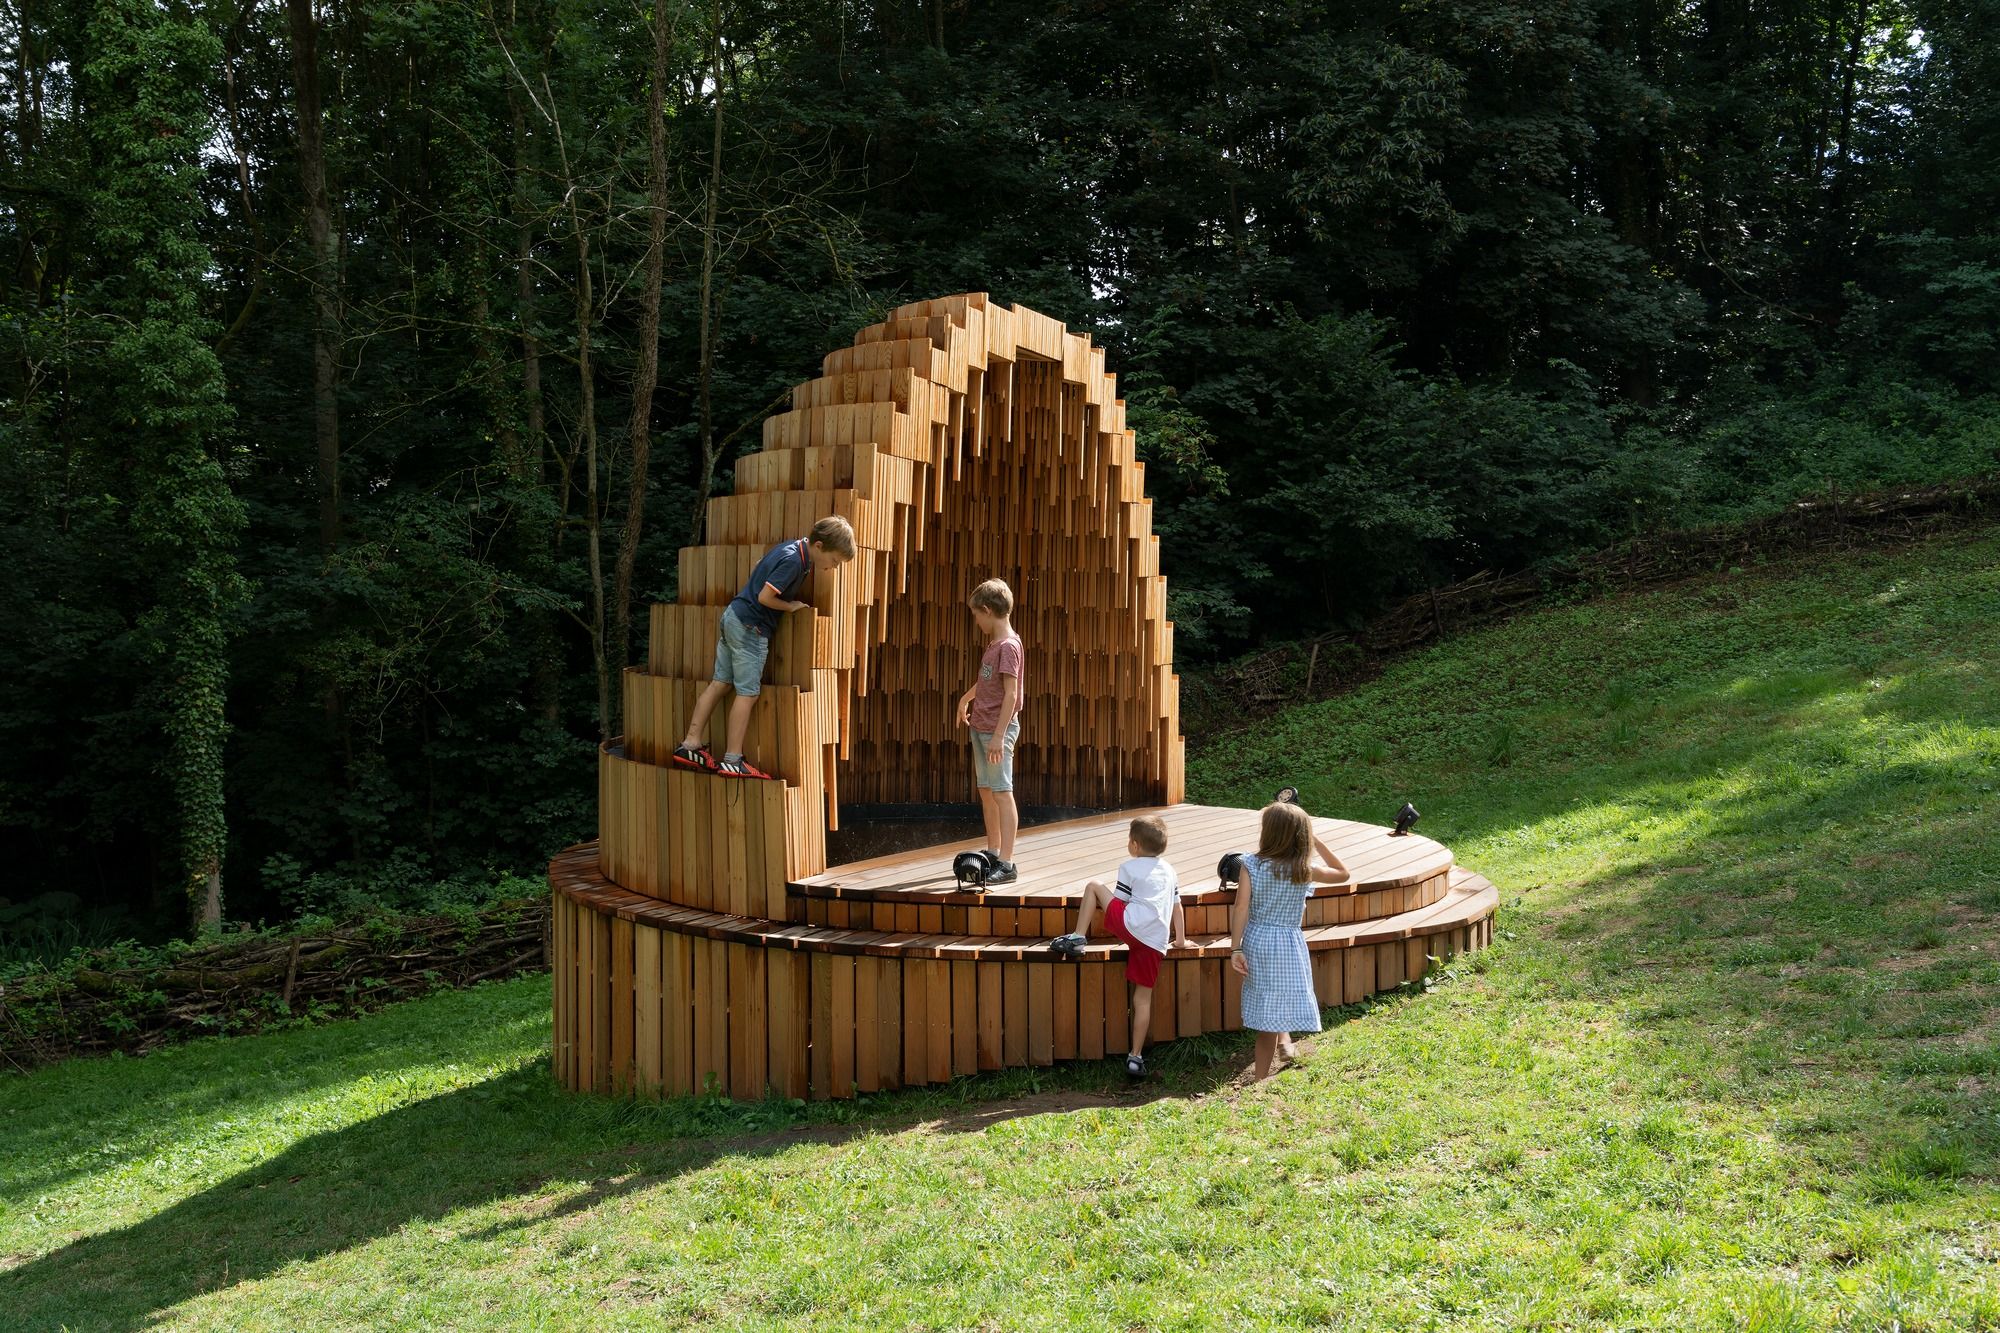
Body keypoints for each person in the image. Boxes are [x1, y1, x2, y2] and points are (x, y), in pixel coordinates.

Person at [673, 515, 855, 779]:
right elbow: (765, 597)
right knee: (748, 693)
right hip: (751, 627)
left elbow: (760, 566)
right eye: (835, 561)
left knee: (720, 684)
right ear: (819, 546)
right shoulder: (795, 562)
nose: (834, 567)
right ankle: (733, 759)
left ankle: (690, 744)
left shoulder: (791, 547)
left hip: (734, 615)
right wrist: (791, 606)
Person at [1050, 815, 1190, 1078]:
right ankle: (1135, 1057)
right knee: (1142, 999)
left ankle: (1078, 938)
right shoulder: (1171, 871)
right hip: (1155, 942)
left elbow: (1121, 900)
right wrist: (1180, 940)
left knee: (1094, 886)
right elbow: (1177, 907)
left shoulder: (1129, 867)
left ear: (1134, 845)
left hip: (1130, 926)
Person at [1229, 801, 1350, 1080]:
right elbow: (1343, 873)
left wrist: (1235, 948)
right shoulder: (1304, 869)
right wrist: (1316, 841)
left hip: (1258, 940)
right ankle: (1281, 1048)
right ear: (1302, 834)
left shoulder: (1251, 864)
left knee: (1266, 1012)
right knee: (1281, 997)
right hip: (1289, 943)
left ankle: (1261, 1078)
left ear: (1268, 832)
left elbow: (1241, 907)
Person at [955, 578, 1023, 881]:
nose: (976, 621)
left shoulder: (1008, 647)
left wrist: (999, 735)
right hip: (980, 726)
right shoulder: (994, 644)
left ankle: (1007, 863)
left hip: (996, 731)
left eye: (976, 615)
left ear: (987, 610)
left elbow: (1011, 694)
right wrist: (966, 698)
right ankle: (993, 850)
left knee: (1002, 792)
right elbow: (987, 681)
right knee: (986, 790)